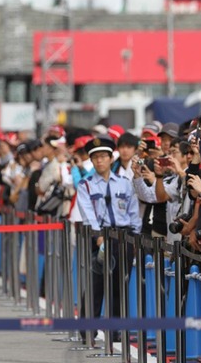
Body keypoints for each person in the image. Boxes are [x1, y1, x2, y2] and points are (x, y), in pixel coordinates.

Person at [76, 137, 142, 342]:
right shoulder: (85, 185)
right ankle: (88, 328)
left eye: (103, 157)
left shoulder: (124, 183)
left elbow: (133, 212)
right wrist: (98, 236)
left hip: (122, 236)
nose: (99, 161)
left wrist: (135, 238)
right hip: (99, 236)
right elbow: (87, 212)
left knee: (119, 284)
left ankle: (114, 329)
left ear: (110, 158)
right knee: (96, 282)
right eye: (95, 157)